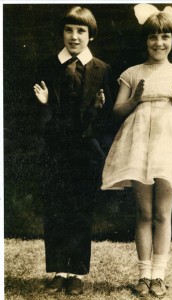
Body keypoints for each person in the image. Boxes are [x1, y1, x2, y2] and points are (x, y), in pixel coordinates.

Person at [101, 3, 172, 298]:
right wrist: (136, 99)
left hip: (168, 146)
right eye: (153, 37)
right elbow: (117, 111)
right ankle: (143, 274)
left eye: (165, 37)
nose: (159, 43)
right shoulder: (132, 73)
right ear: (145, 41)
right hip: (139, 146)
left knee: (162, 213)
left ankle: (159, 275)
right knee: (144, 213)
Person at [33, 6, 114, 295]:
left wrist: (97, 110)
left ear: (91, 36)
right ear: (62, 33)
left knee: (81, 210)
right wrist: (44, 106)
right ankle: (58, 269)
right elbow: (37, 118)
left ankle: (77, 272)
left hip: (86, 152)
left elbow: (106, 121)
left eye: (81, 31)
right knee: (55, 208)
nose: (74, 36)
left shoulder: (101, 69)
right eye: (69, 30)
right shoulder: (47, 65)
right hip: (55, 149)